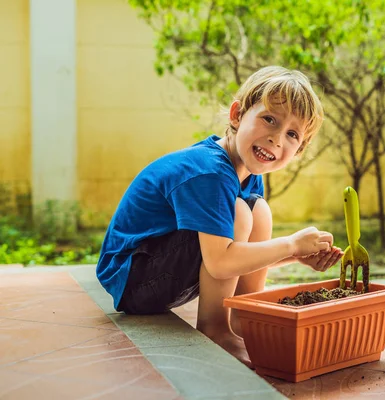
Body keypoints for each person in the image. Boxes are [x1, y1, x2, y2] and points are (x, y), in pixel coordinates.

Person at [96, 66, 343, 367]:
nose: (276, 139)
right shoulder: (210, 172)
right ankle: (215, 328)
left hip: (160, 271)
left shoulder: (247, 171)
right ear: (237, 115)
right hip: (133, 280)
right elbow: (220, 261)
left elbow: (228, 256)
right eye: (269, 119)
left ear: (299, 149)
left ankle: (242, 319)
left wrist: (296, 256)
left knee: (256, 210)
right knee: (240, 211)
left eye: (292, 134)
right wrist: (291, 244)